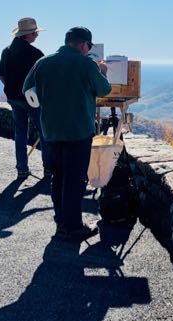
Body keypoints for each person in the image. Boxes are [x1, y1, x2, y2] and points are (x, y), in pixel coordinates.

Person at [24, 27, 112, 240]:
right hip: (78, 130)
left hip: (51, 130)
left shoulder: (42, 63)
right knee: (74, 179)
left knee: (58, 177)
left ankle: (61, 222)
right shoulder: (87, 64)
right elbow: (104, 90)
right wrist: (102, 72)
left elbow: (28, 90)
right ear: (84, 45)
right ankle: (73, 226)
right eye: (88, 46)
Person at [0, 17, 52, 179]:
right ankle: (48, 168)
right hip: (32, 99)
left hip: (13, 98)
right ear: (26, 35)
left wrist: (12, 87)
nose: (36, 35)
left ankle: (22, 168)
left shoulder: (7, 51)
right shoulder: (36, 54)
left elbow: (0, 74)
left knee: (20, 132)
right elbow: (45, 80)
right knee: (44, 133)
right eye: (34, 33)